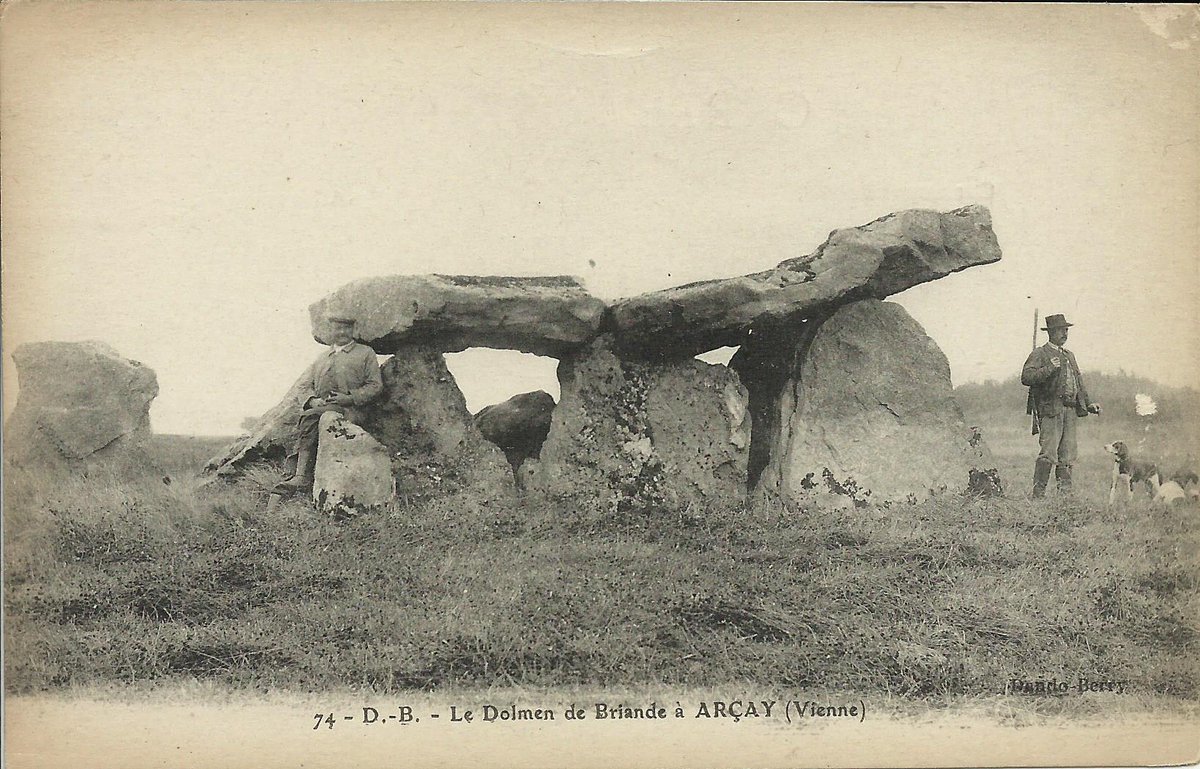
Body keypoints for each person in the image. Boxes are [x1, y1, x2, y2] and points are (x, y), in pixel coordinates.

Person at [276, 316, 384, 493]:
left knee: (310, 417)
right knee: (312, 416)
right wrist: (312, 400)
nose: (341, 332)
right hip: (322, 408)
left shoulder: (365, 353)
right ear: (330, 331)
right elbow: (305, 385)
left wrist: (349, 398)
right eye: (337, 329)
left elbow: (375, 386)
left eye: (346, 329)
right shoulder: (322, 357)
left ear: (353, 330)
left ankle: (301, 477)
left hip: (353, 410)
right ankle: (297, 472)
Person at [1021, 314, 1101, 498]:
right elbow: (1026, 378)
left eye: (1066, 330)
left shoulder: (1069, 355)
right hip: (1051, 410)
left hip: (1071, 410)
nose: (1065, 333)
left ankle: (1064, 499)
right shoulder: (1040, 354)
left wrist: (1089, 404)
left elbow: (1078, 382)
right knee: (1048, 454)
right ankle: (1038, 496)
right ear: (1051, 332)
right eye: (1061, 330)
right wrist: (1049, 368)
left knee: (1068, 455)